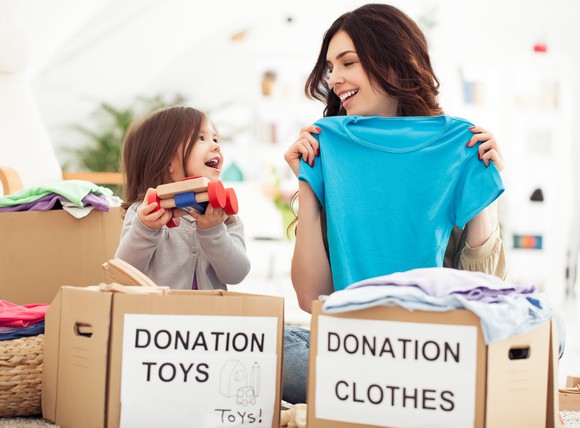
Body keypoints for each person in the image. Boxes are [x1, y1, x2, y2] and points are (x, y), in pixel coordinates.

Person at [281, 3, 506, 404]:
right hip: (352, 345)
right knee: (267, 348)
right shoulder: (327, 145)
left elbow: (486, 293)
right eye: (331, 68)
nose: (335, 79)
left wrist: (481, 188)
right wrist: (309, 181)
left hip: (431, 345)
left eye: (347, 62)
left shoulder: (459, 144)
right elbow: (312, 298)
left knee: (545, 337)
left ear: (392, 59)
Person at [115, 105, 251, 290]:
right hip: (158, 316)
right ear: (167, 160)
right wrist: (145, 230)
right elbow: (125, 272)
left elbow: (236, 274)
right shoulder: (145, 214)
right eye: (201, 138)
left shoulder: (224, 217)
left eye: (215, 138)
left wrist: (214, 231)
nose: (216, 145)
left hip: (208, 317)